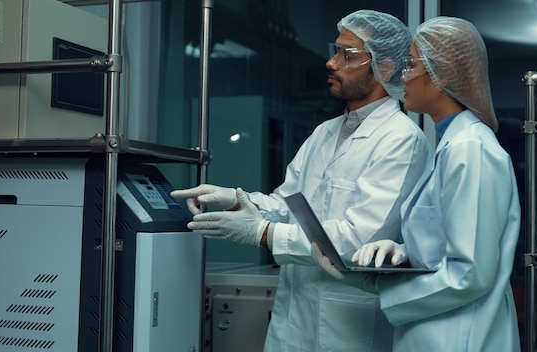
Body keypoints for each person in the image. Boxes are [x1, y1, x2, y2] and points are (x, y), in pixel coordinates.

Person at [170, 9, 432, 352]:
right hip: (293, 321)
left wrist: (263, 233)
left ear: (384, 67)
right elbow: (288, 204)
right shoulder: (325, 132)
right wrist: (239, 199)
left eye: (346, 55)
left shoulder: (401, 140)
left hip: (347, 328)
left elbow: (359, 241)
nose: (331, 63)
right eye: (334, 51)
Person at [312, 16, 522, 351]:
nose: (402, 75)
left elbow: (470, 274)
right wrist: (406, 254)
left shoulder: (472, 149)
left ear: (443, 74)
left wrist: (378, 286)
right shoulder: (451, 145)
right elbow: (451, 244)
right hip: (434, 334)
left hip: (461, 338)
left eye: (411, 64)